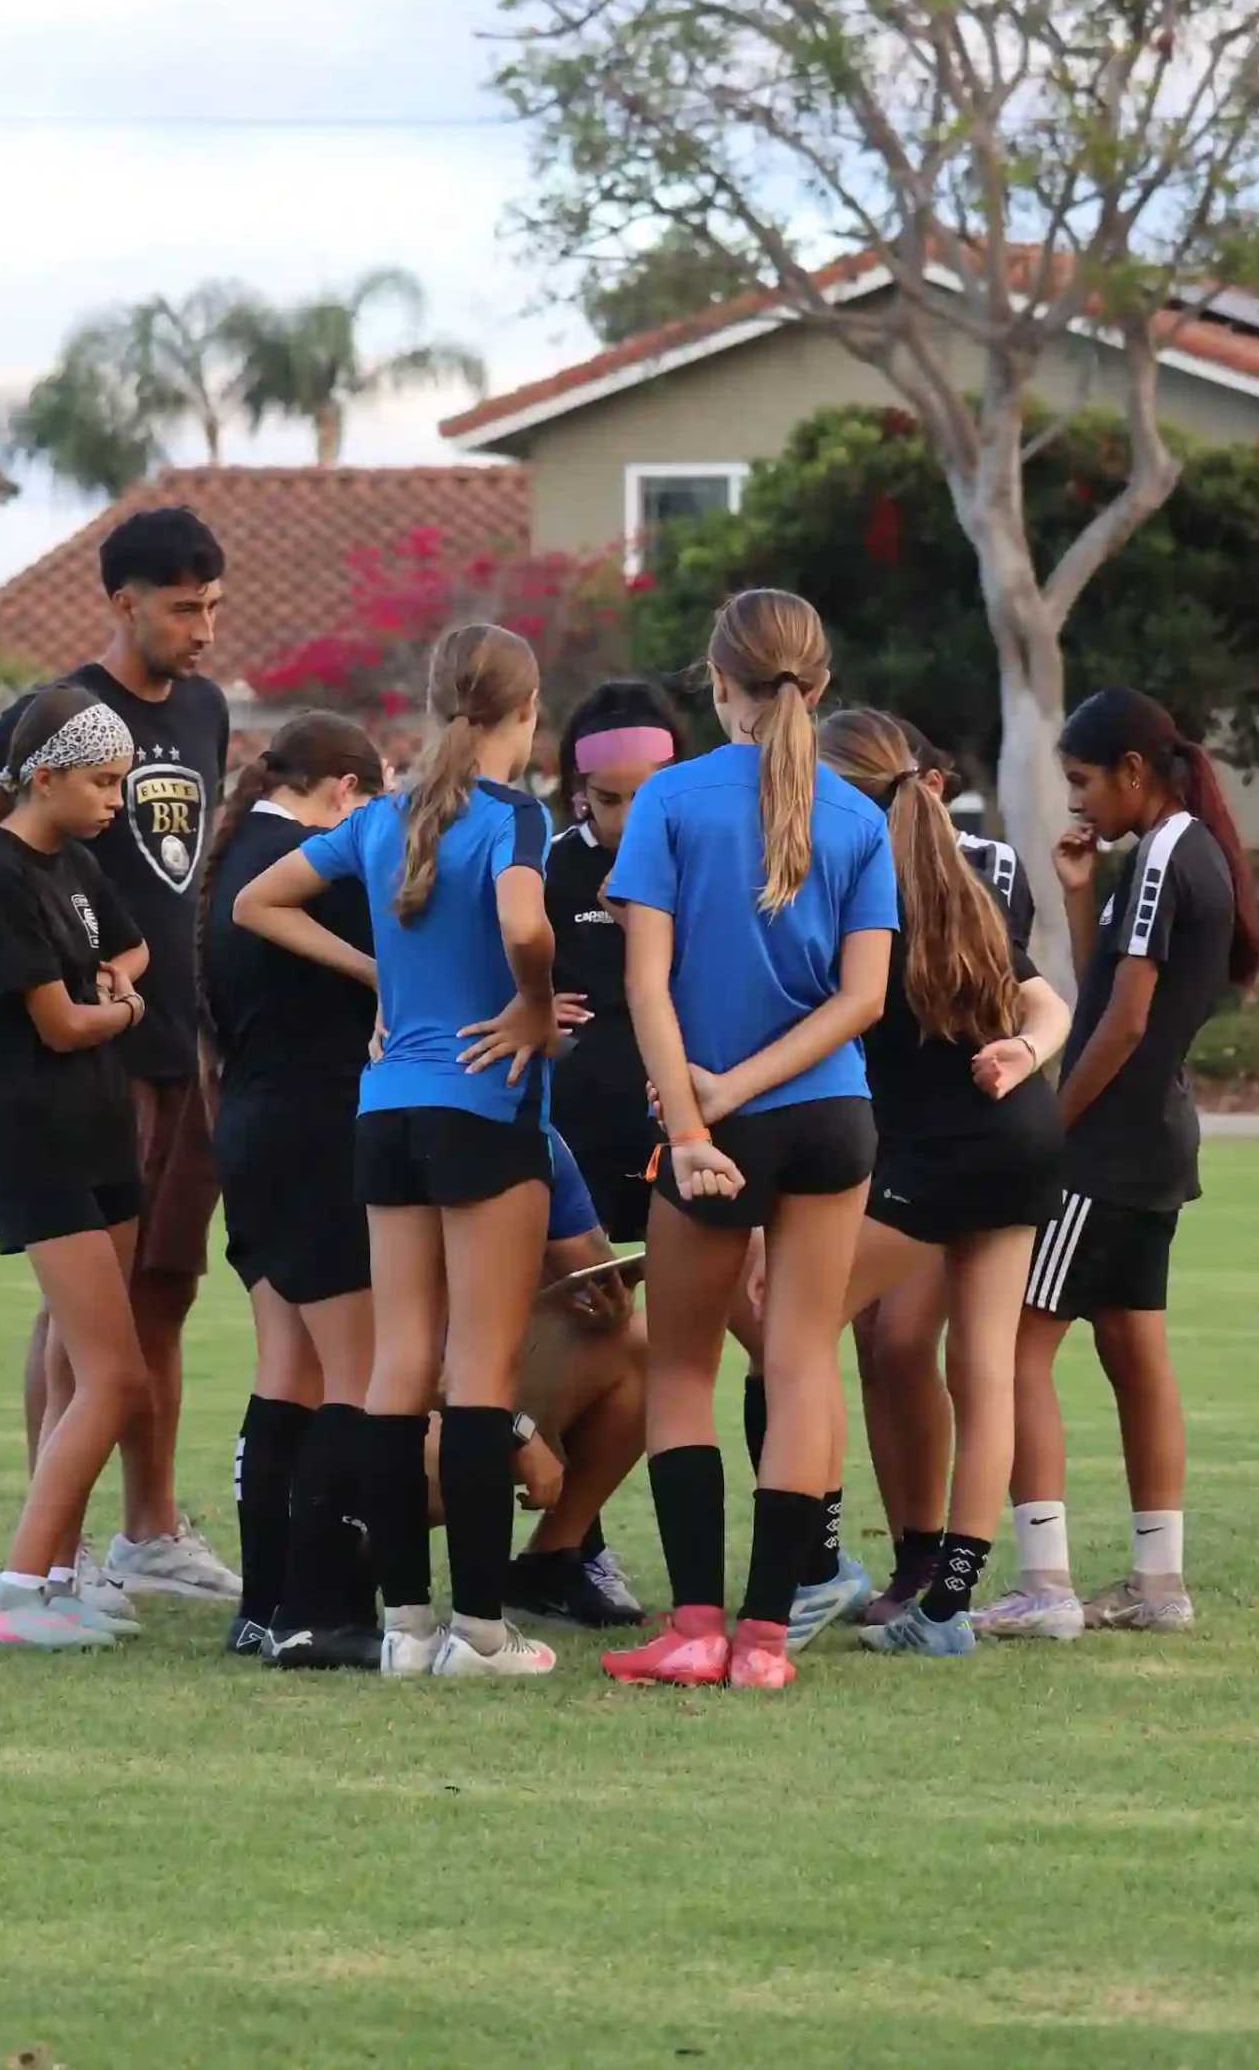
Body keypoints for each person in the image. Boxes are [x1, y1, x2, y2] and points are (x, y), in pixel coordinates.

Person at [0, 506, 238, 1609]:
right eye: (184, 608)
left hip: (175, 1035)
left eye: (211, 607)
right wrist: (29, 933)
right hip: (84, 1061)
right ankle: (51, 1552)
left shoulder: (204, 706)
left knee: (166, 1287)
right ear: (125, 602)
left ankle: (148, 1528)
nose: (202, 630)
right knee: (85, 1303)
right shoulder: (63, 714)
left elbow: (183, 871)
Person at [233, 622, 560, 1680]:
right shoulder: (514, 816)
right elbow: (524, 925)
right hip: (481, 1106)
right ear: (526, 708)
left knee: (395, 1365)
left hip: (384, 1111)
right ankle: (479, 1631)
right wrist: (534, 1009)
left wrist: (377, 978)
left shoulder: (379, 817)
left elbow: (255, 901)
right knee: (477, 1367)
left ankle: (405, 1625)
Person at [600, 588, 908, 1692]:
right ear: (816, 688)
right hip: (831, 1119)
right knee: (800, 1363)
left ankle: (692, 1628)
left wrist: (695, 1114)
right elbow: (861, 1000)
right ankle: (766, 1643)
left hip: (715, 1127)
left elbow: (644, 982)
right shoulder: (860, 819)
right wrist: (751, 1083)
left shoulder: (670, 799)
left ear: (716, 681)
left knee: (679, 1367)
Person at [974, 688, 1259, 1641]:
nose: (1078, 803)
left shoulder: (1166, 855)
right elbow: (1120, 991)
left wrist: (1054, 1123)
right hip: (1159, 1139)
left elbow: (1125, 1021)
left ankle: (1045, 1582)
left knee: (1011, 1342)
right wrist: (1077, 897)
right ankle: (1158, 1582)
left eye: (1084, 781)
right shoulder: (1185, 854)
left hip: (1107, 1148)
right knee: (1133, 1351)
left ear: (1134, 772)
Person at [791, 710, 1071, 1657]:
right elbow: (1048, 1001)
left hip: (949, 1159)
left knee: (788, 1317)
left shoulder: (864, 893)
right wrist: (1026, 1053)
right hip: (1021, 1141)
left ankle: (815, 1560)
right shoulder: (954, 881)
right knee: (982, 1371)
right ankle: (946, 1612)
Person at [0, 685, 152, 1650]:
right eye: (103, 781)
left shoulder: (72, 861)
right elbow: (60, 1025)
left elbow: (134, 947)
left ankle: (58, 1575)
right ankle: (17, 1593)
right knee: (116, 1376)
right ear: (48, 775)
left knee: (81, 1365)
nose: (116, 801)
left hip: (100, 1129)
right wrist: (120, 1013)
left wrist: (118, 980)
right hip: (41, 1138)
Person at [197, 710, 387, 1670]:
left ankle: (264, 1604)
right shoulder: (322, 869)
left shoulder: (236, 857)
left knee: (288, 1371)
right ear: (347, 789)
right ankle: (323, 1607)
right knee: (353, 1375)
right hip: (320, 1133)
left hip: (252, 1131)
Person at [546, 680, 684, 1245]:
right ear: (581, 790)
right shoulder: (548, 865)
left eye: (644, 798)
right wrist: (528, 1004)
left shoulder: (705, 861)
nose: (627, 819)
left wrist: (637, 918)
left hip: (685, 1116)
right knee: (590, 1314)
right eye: (608, 799)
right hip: (582, 1121)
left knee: (728, 1298)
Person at [501, 1128, 648, 1629]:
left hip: (470, 1385)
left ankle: (549, 1564)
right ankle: (343, 1569)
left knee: (639, 1342)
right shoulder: (399, 1123)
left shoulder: (535, 1130)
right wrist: (516, 1430)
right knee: (435, 1449)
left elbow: (594, 1266)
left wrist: (601, 1301)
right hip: (393, 1406)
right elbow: (403, 1353)